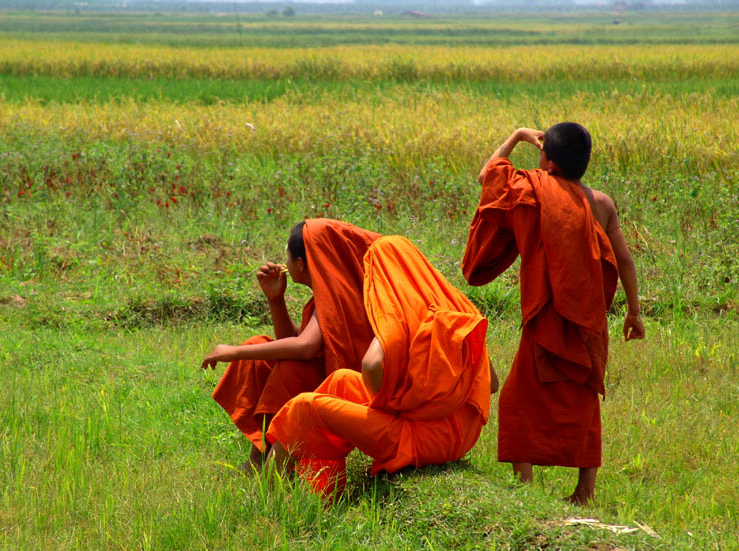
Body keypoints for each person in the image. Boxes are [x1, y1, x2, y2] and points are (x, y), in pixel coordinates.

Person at [461, 123, 645, 505]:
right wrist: (634, 312)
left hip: (547, 312)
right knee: (583, 397)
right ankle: (585, 490)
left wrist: (513, 137)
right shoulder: (602, 202)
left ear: (547, 161)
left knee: (518, 399)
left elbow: (488, 176)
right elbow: (624, 259)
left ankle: (525, 487)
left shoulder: (533, 190)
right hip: (587, 319)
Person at [264, 235, 498, 500]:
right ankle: (317, 490)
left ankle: (275, 499)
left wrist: (389, 408)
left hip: (422, 440)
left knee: (303, 406)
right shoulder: (459, 307)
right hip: (460, 435)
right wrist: (431, 397)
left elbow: (371, 364)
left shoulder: (399, 312)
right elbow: (492, 384)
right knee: (340, 380)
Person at [202, 219, 379, 472]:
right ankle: (263, 452)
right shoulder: (325, 293)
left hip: (347, 388)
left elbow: (305, 347)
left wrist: (233, 352)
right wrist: (276, 300)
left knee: (290, 370)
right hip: (326, 375)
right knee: (259, 348)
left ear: (300, 264)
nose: (283, 262)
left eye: (287, 254)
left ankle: (268, 462)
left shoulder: (336, 296)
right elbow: (298, 339)